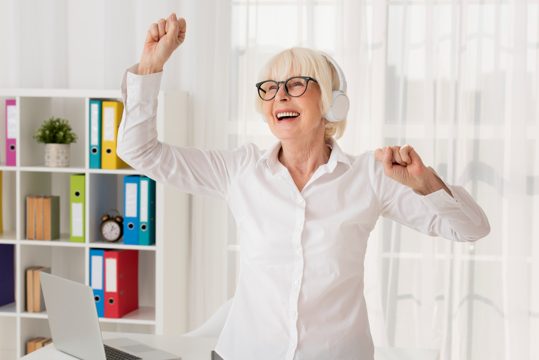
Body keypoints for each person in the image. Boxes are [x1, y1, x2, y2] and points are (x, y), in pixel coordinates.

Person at [117, 13, 490, 360]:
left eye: (296, 84)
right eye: (270, 87)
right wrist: (151, 67)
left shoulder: (371, 176)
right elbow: (139, 151)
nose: (280, 95)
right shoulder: (240, 170)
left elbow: (472, 229)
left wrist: (426, 183)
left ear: (331, 103)